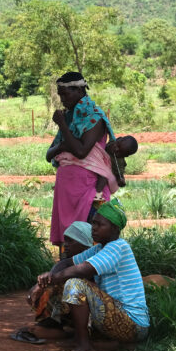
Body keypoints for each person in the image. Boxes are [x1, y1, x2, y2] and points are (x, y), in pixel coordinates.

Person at [28, 199, 148, 351]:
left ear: (114, 228)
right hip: (117, 317)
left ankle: (84, 346)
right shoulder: (99, 248)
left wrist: (52, 278)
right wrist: (45, 282)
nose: (94, 228)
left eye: (100, 225)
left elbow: (84, 269)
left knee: (75, 284)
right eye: (93, 224)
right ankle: (90, 339)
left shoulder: (119, 246)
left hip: (134, 323)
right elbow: (67, 262)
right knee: (63, 282)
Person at [45, 72, 114, 251]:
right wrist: (62, 145)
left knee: (89, 237)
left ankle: (88, 277)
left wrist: (62, 126)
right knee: (68, 240)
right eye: (60, 95)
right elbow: (50, 153)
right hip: (67, 191)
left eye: (65, 94)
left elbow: (81, 151)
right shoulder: (71, 117)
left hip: (89, 191)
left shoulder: (94, 117)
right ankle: (66, 277)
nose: (62, 99)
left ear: (79, 90)